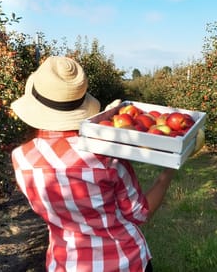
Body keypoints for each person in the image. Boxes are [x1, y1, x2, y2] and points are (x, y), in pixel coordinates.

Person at [9, 56, 176, 272]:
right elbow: (140, 213)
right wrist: (167, 172)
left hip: (66, 264)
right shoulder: (105, 158)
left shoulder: (21, 159)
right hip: (124, 262)